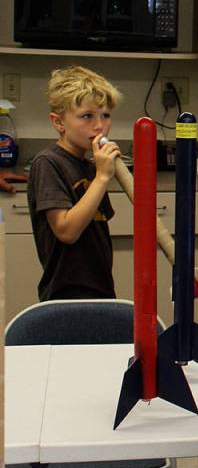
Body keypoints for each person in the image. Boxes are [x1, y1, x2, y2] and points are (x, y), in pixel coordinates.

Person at [27, 66, 123, 301]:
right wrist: (102, 177)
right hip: (66, 292)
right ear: (59, 122)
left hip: (100, 287)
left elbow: (101, 218)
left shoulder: (90, 165)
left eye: (106, 115)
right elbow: (66, 231)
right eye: (87, 116)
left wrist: (101, 173)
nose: (100, 126)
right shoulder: (48, 163)